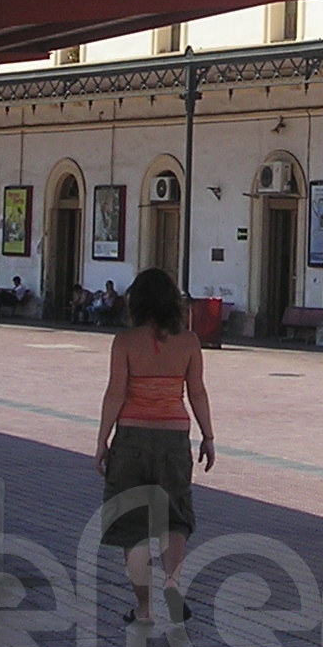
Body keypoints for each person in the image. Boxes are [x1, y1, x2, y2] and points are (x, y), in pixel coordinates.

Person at [94, 268, 215, 628]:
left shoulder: (125, 342)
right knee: (175, 517)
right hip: (174, 436)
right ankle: (173, 583)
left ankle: (144, 609)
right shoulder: (190, 342)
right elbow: (197, 392)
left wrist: (102, 440)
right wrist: (208, 436)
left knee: (132, 525)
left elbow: (115, 393)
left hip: (131, 436)